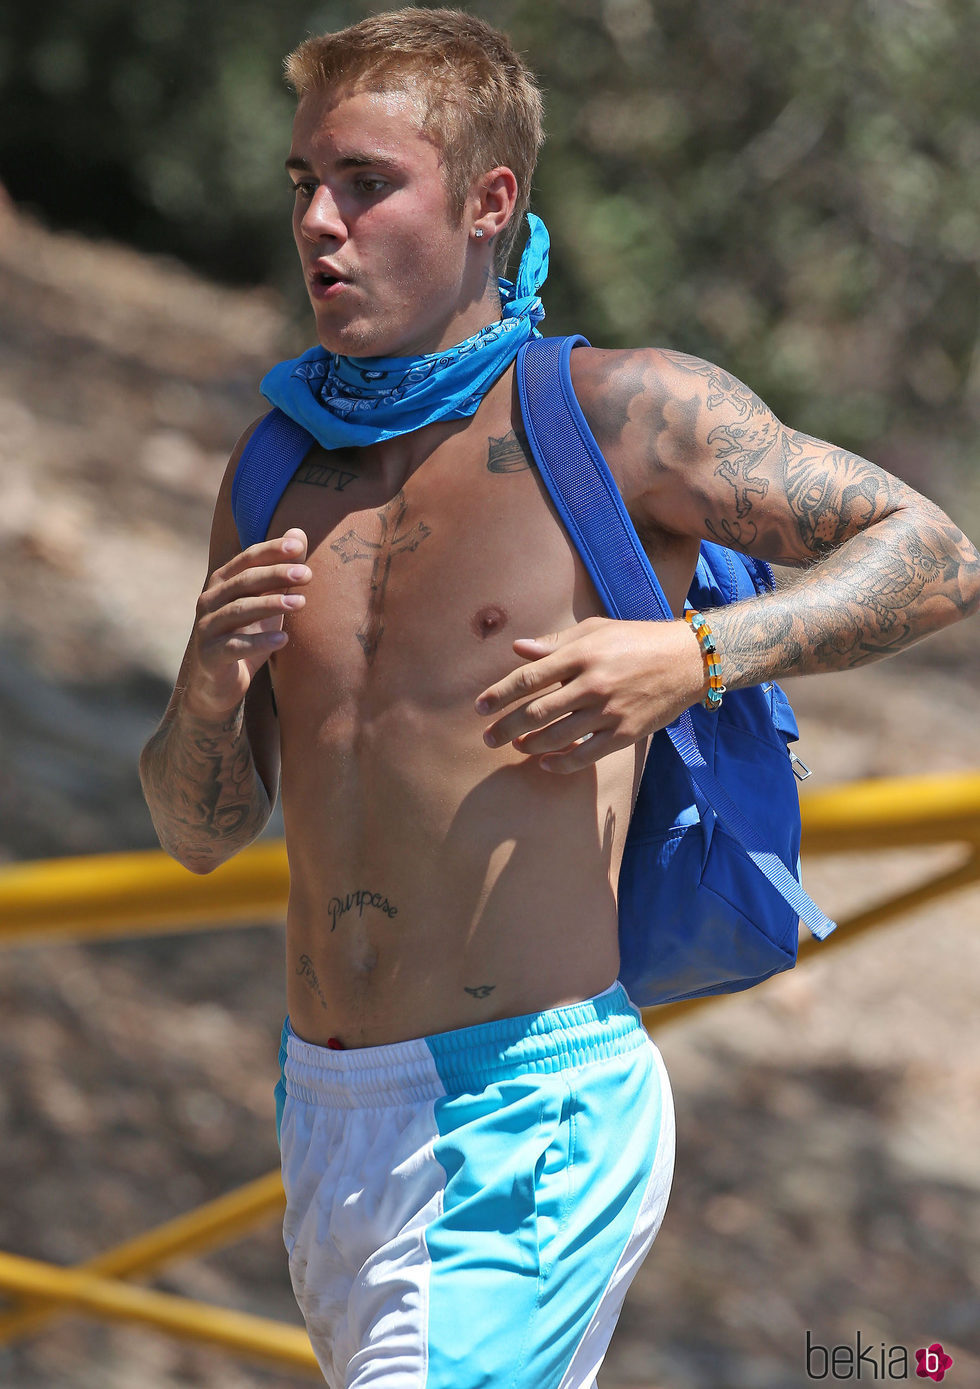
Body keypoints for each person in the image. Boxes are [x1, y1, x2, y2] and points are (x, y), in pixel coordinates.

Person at [139, 9, 980, 1387]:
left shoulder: (617, 414)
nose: (319, 224)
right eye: (304, 183)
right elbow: (199, 833)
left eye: (365, 183)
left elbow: (936, 552)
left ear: (490, 203)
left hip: (532, 1115)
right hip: (328, 1118)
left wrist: (697, 657)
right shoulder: (275, 467)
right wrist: (205, 698)